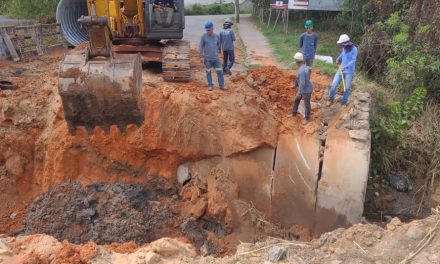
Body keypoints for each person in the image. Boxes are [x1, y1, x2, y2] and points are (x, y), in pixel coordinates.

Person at [328, 34, 358, 106]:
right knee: (333, 85)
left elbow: (353, 60)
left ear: (346, 43)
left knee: (347, 88)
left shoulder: (354, 49)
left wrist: (345, 67)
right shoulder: (344, 48)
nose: (341, 46)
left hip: (349, 72)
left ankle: (344, 102)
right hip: (341, 69)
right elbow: (342, 54)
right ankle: (330, 99)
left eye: (342, 44)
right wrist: (338, 58)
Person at [199, 21, 226, 91]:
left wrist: (219, 52)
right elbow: (201, 47)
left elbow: (219, 45)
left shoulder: (217, 36)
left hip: (216, 59)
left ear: (212, 29)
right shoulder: (203, 37)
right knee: (208, 72)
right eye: (206, 30)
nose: (207, 31)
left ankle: (222, 85)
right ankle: (210, 85)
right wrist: (201, 56)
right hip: (207, 59)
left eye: (209, 30)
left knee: (220, 72)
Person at [291, 52, 314, 124]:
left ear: (296, 61)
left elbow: (302, 83)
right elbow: (298, 78)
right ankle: (294, 113)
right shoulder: (304, 66)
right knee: (296, 100)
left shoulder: (301, 71)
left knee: (307, 104)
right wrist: (295, 85)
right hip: (304, 88)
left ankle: (307, 118)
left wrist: (299, 93)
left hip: (306, 90)